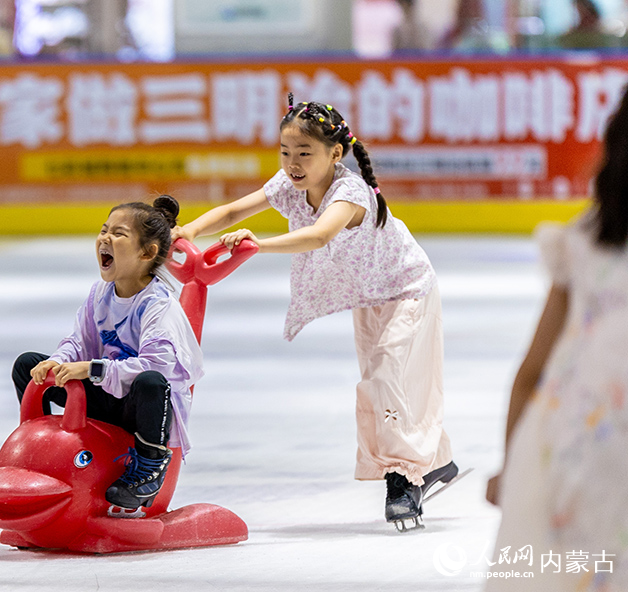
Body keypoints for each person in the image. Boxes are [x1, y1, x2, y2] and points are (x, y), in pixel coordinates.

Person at [172, 94, 456, 529]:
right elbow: (234, 209)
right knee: (388, 384)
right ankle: (433, 461)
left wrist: (256, 245)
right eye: (286, 153)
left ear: (335, 154)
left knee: (385, 378)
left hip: (408, 289)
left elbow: (320, 236)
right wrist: (189, 228)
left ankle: (403, 477)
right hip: (370, 298)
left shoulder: (350, 192)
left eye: (305, 153)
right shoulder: (290, 186)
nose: (292, 163)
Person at [484, 87, 628, 590]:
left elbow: (530, 373)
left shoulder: (583, 240)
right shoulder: (581, 243)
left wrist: (510, 467)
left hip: (564, 446)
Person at [11, 196, 203, 511]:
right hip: (105, 397)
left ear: (147, 252)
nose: (105, 238)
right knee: (28, 365)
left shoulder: (158, 305)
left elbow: (158, 367)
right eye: (104, 230)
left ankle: (148, 468)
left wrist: (92, 369)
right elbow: (78, 341)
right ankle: (38, 448)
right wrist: (58, 361)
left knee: (151, 381)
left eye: (118, 233)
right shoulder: (100, 294)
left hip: (140, 410)